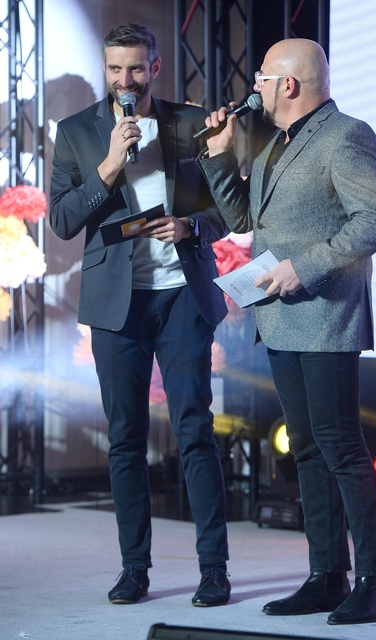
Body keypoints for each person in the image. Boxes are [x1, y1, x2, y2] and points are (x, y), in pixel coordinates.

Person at [199, 38, 376, 625]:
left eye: (262, 77)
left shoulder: (347, 136)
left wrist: (304, 267)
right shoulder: (274, 144)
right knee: (307, 448)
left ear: (287, 85)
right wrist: (220, 156)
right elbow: (244, 220)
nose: (255, 87)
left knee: (341, 446)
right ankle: (327, 575)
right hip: (280, 317)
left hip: (326, 316)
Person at [49, 23, 231, 607]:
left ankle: (214, 569)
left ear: (154, 67)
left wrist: (191, 225)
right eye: (114, 69)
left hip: (181, 296)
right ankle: (134, 569)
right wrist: (108, 166)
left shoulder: (191, 122)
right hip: (117, 305)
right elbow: (62, 221)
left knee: (195, 430)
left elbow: (228, 211)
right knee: (125, 438)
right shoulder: (77, 132)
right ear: (105, 70)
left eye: (134, 68)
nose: (123, 80)